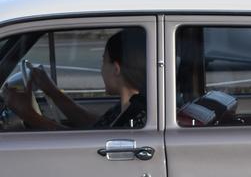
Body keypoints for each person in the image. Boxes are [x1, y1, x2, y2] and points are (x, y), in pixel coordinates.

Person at [4, 28, 147, 130]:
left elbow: (93, 144)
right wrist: (52, 91)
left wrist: (31, 116)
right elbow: (96, 126)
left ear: (116, 69)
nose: (101, 69)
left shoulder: (138, 118)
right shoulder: (128, 107)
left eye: (103, 61)